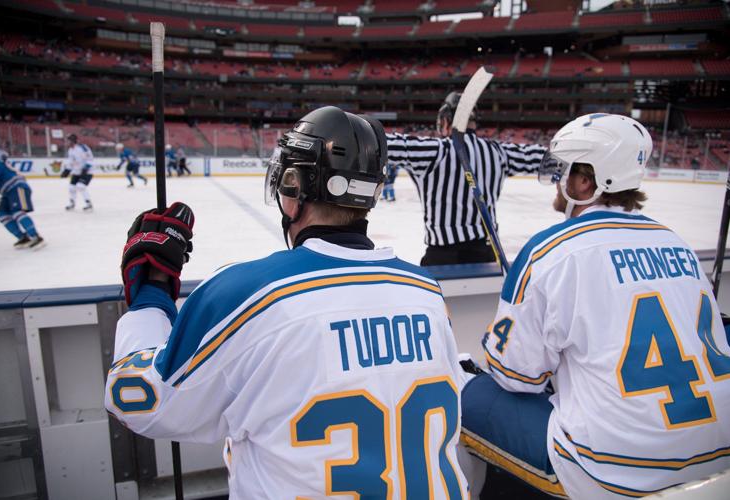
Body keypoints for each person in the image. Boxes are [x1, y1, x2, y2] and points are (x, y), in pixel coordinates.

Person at [104, 106, 470, 498]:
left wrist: (151, 293)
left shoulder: (243, 291)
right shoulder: (426, 292)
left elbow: (137, 398)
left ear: (293, 187)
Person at [460, 113, 730, 499]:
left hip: (616, 469)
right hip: (717, 448)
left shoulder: (551, 250)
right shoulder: (677, 243)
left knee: (467, 393)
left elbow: (515, 376)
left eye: (563, 171)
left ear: (585, 182)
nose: (557, 180)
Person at [387, 91, 547, 266]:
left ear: (446, 120)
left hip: (442, 256)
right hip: (485, 254)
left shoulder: (436, 150)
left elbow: (386, 144)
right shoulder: (498, 153)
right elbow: (545, 158)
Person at [0, 146, 45, 249]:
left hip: (16, 188)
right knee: (2, 214)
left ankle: (36, 237)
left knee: (17, 211)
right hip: (8, 192)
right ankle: (23, 238)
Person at [62, 134, 94, 211]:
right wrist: (67, 170)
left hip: (87, 172)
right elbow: (71, 162)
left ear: (73, 141)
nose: (67, 142)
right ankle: (72, 203)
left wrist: (86, 168)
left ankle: (88, 204)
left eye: (68, 140)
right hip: (76, 172)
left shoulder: (83, 148)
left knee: (81, 186)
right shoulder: (70, 150)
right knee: (71, 188)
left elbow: (90, 158)